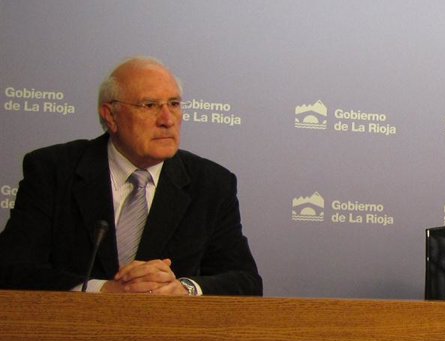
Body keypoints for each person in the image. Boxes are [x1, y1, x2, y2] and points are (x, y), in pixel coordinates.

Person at [0, 57, 262, 295]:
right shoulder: (52, 170)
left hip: (167, 330)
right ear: (110, 116)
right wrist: (103, 290)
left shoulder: (212, 183)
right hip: (71, 328)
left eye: (174, 104)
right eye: (149, 105)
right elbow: (12, 269)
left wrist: (184, 289)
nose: (167, 119)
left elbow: (246, 281)